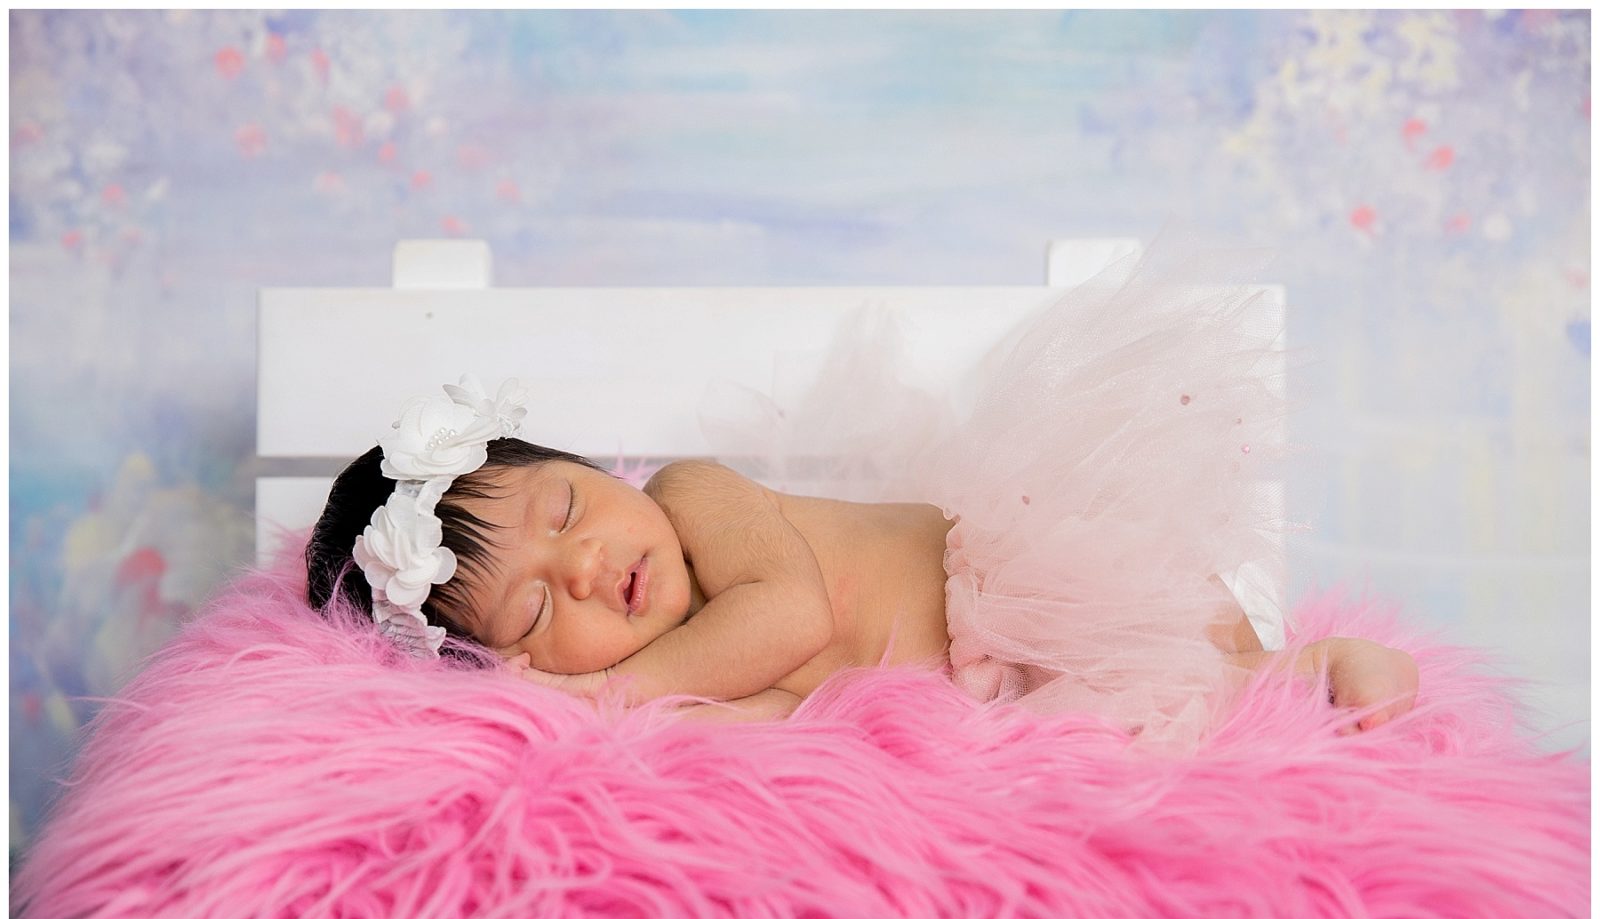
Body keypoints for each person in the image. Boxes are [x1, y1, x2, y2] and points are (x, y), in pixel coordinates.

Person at [305, 249, 1418, 743]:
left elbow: (789, 614)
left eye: (566, 512)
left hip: (1028, 577)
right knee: (1128, 738)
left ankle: (1315, 663)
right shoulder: (684, 682)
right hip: (1000, 693)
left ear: (598, 470)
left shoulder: (694, 498)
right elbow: (791, 722)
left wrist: (607, 694)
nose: (588, 566)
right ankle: (1296, 697)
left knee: (1189, 658)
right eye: (541, 609)